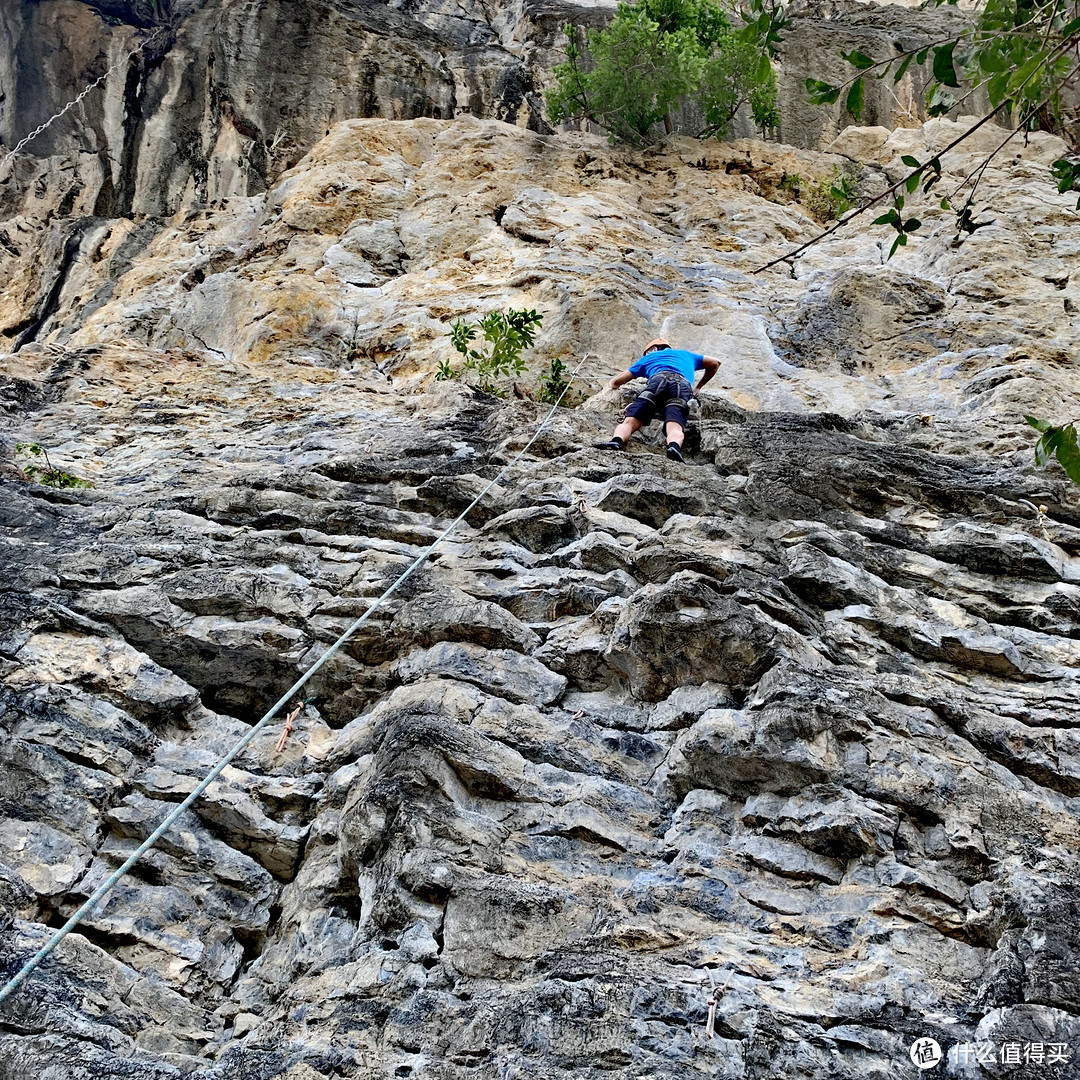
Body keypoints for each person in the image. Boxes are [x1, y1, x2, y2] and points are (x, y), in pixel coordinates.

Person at [595, 338, 720, 462]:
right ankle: (673, 447)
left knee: (630, 421)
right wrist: (698, 387)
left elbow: (617, 382)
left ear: (653, 349)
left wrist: (612, 384)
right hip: (682, 386)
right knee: (676, 426)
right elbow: (715, 363)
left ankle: (616, 441)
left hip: (657, 382)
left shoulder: (648, 358)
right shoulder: (686, 354)